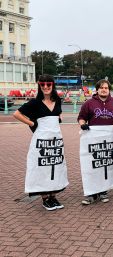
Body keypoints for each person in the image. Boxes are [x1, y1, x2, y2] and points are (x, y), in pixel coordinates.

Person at [13, 74, 65, 211]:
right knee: (42, 168)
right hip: (41, 142)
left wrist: (58, 118)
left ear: (53, 85)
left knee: (55, 166)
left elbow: (58, 114)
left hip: (55, 142)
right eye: (43, 84)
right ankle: (45, 198)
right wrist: (32, 123)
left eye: (49, 84)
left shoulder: (58, 100)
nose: (46, 87)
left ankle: (53, 196)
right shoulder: (34, 103)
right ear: (39, 86)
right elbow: (16, 114)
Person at [78, 79, 113, 205]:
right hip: (94, 140)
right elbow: (81, 117)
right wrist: (83, 125)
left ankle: (103, 191)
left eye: (106, 88)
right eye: (102, 87)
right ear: (97, 89)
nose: (104, 90)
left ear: (109, 90)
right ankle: (91, 194)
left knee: (106, 165)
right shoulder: (89, 103)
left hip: (110, 140)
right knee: (93, 165)